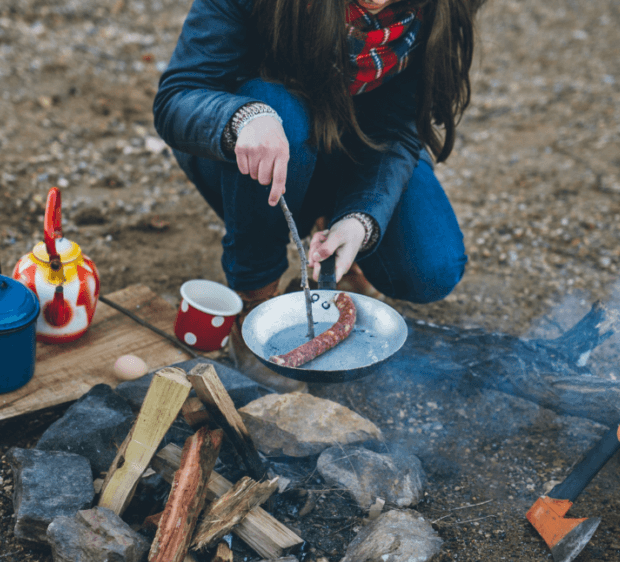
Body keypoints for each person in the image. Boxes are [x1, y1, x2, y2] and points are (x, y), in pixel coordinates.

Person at [154, 0, 475, 390]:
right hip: (257, 146)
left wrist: (361, 219)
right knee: (279, 111)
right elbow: (176, 98)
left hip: (355, 144)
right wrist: (242, 117)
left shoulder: (435, 7)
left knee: (431, 268)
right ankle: (256, 299)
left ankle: (339, 237)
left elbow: (398, 127)